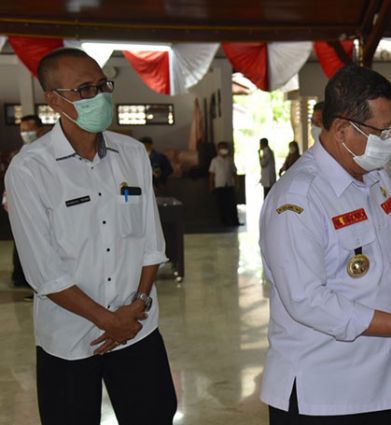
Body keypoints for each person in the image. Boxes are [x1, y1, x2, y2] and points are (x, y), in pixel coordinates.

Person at [259, 65, 391, 425]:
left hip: (375, 384)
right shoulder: (298, 199)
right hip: (323, 393)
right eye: (382, 131)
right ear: (342, 130)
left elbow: (356, 253)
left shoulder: (374, 177)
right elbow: (307, 300)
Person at [6, 47, 177, 425]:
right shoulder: (30, 170)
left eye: (102, 86)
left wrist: (134, 307)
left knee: (154, 415)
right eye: (84, 90)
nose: (98, 97)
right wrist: (106, 319)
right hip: (69, 337)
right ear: (54, 100)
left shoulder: (132, 154)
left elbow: (151, 243)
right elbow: (43, 271)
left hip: (137, 326)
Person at [9, 115, 46, 291]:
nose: (25, 134)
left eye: (28, 130)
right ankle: (20, 277)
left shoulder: (46, 149)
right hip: (22, 205)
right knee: (22, 242)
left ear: (40, 130)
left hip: (42, 204)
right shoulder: (22, 152)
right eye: (23, 130)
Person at [209, 141, 241, 227]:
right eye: (222, 148)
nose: (224, 150)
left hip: (229, 184)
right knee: (222, 204)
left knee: (232, 204)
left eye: (225, 148)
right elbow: (212, 175)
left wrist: (237, 183)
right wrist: (211, 186)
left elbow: (234, 172)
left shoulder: (230, 160)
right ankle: (224, 222)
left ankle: (235, 221)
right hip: (220, 185)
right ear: (218, 150)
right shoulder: (214, 161)